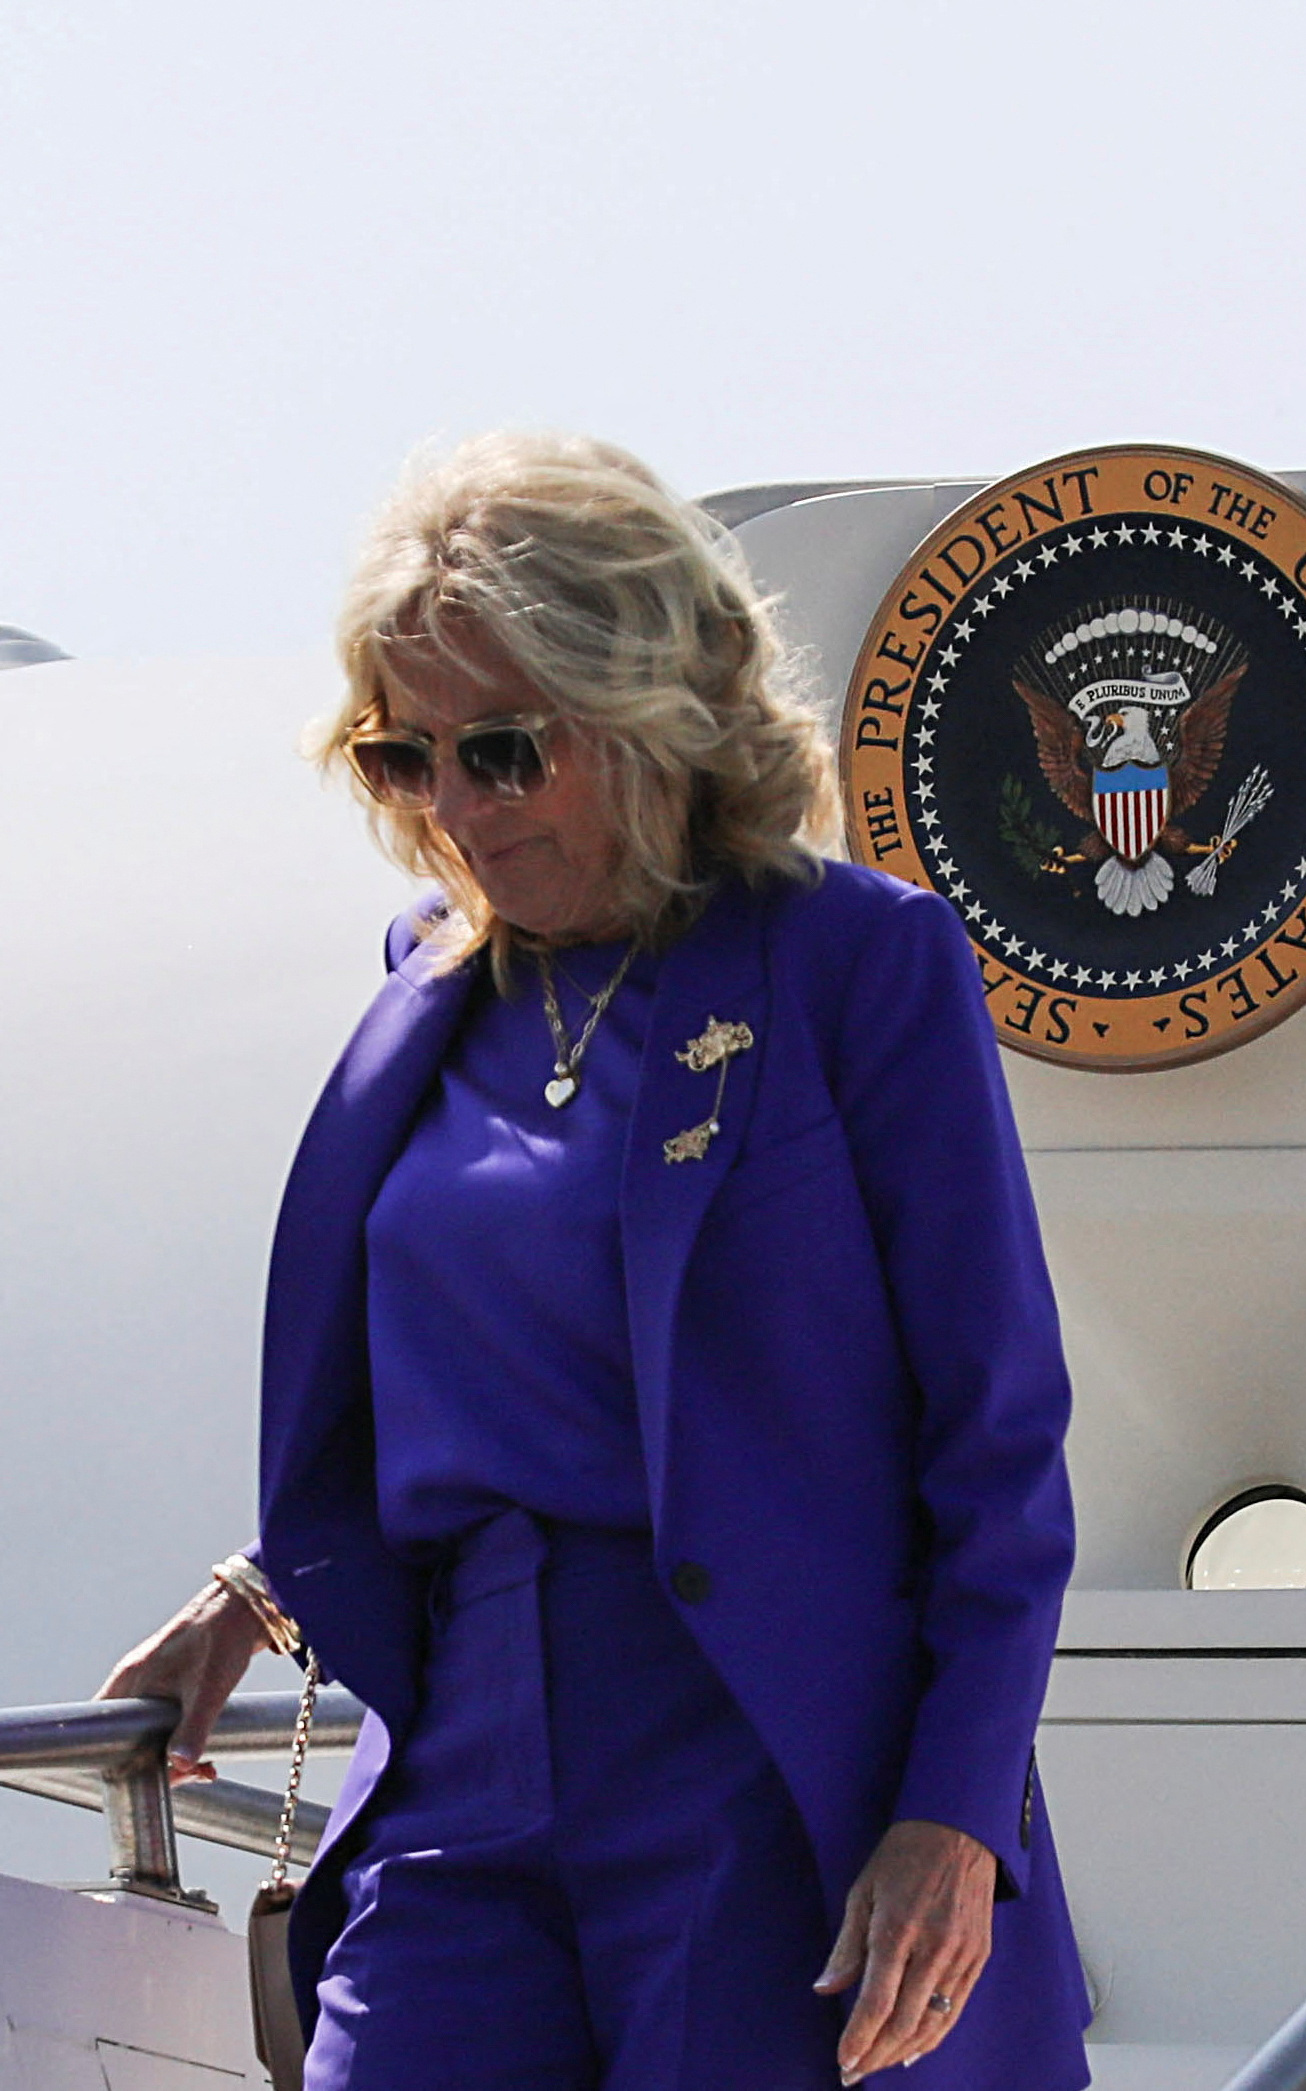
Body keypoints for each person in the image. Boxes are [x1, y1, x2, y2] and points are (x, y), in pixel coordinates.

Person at [97, 432, 1089, 2087]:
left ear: (650, 719)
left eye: (501, 749)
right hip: (457, 1756)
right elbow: (480, 1370)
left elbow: (997, 1439)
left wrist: (955, 1812)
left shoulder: (854, 963)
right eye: (404, 761)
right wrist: (256, 1593)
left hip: (754, 1765)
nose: (458, 812)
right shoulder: (421, 988)